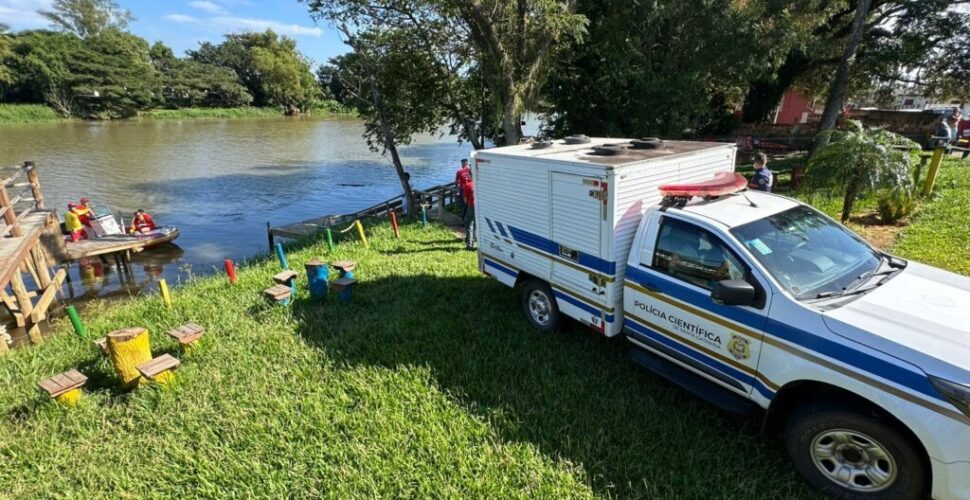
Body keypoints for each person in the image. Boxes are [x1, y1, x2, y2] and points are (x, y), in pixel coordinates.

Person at [462, 178, 476, 250]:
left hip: (472, 206)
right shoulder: (480, 182)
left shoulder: (468, 185)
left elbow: (465, 199)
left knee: (469, 224)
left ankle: (469, 245)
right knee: (477, 224)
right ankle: (476, 240)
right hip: (481, 206)